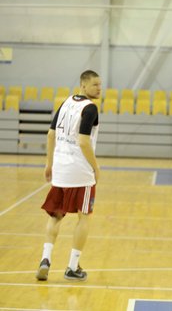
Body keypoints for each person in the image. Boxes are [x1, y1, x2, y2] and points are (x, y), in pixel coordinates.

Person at [35, 70, 101, 282]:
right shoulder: (90, 108)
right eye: (95, 85)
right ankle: (72, 267)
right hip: (80, 171)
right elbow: (83, 141)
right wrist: (96, 167)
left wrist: (49, 163)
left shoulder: (65, 102)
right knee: (84, 217)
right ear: (83, 86)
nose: (99, 88)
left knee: (56, 215)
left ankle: (45, 259)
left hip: (61, 170)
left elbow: (51, 134)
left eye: (100, 85)